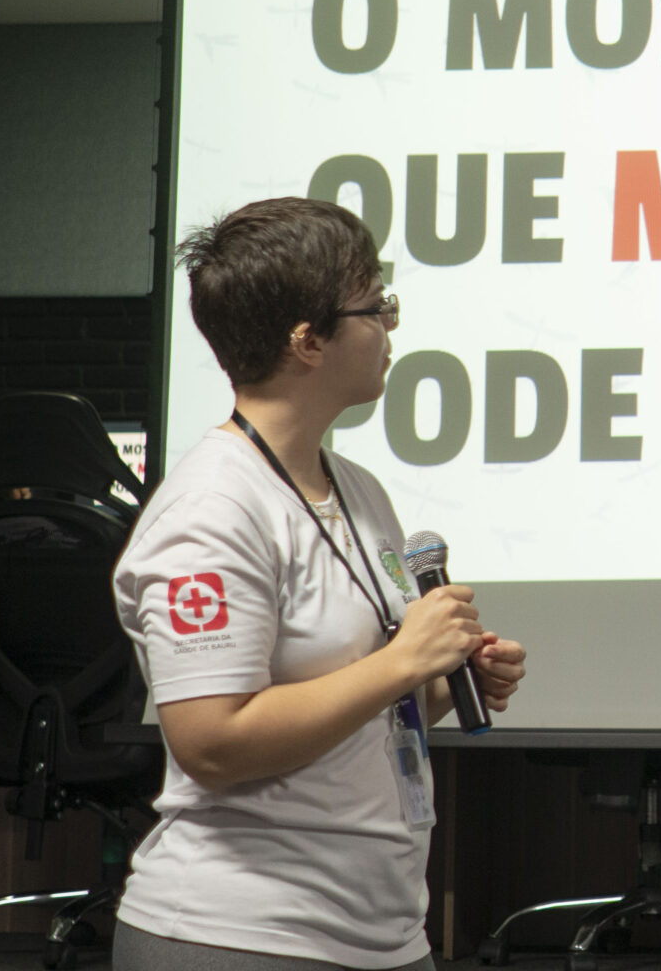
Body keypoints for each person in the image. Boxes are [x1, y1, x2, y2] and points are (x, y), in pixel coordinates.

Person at [112, 198, 527, 971]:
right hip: (241, 935)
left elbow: (361, 704)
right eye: (376, 306)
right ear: (308, 341)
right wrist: (403, 662)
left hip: (381, 933)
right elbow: (212, 742)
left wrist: (442, 680)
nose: (391, 326)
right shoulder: (212, 509)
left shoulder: (358, 490)